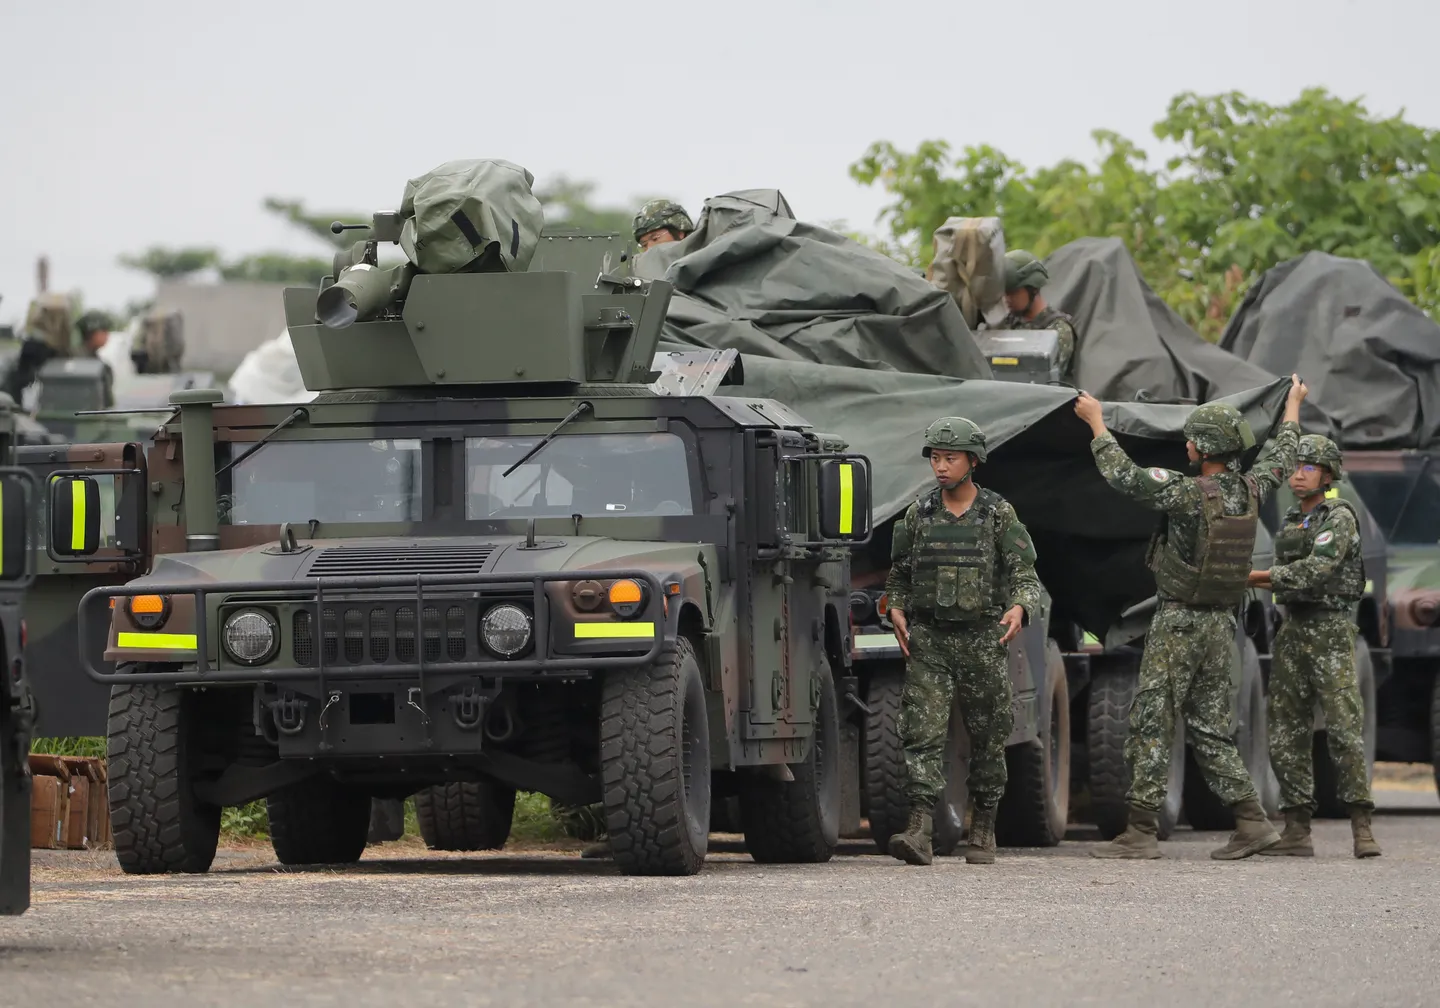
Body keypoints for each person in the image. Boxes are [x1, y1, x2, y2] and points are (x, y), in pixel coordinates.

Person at [1076, 375, 1307, 860]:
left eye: (1191, 440)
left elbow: (1126, 477)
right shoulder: (1252, 488)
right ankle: (1251, 821)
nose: (1185, 445)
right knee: (1208, 728)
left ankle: (1139, 833)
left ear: (1205, 449)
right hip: (1222, 625)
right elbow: (1283, 455)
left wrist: (1096, 421)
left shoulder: (1187, 494)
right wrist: (1293, 406)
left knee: (1151, 721)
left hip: (1179, 624)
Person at [884, 417, 1042, 866]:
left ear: (972, 461)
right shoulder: (920, 514)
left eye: (950, 458)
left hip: (981, 640)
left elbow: (1024, 574)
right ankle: (919, 830)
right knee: (921, 734)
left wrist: (1020, 607)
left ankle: (984, 828)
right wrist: (895, 605)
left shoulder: (997, 514)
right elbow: (899, 573)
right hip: (930, 640)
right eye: (935, 457)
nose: (940, 466)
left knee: (989, 737)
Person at [1249, 435, 1380, 858]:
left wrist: (1255, 578)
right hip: (1294, 631)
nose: (1298, 474)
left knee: (1343, 730)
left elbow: (1316, 570)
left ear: (1327, 474)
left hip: (1331, 634)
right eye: (1296, 466)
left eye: (1308, 467)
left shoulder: (1339, 516)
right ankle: (1296, 829)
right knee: (1286, 731)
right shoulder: (1291, 520)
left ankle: (1362, 828)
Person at [1000, 250, 1080, 383]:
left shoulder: (1058, 330)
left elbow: (1041, 378)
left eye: (1013, 292)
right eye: (1005, 293)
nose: (1007, 298)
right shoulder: (1007, 323)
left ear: (1033, 289)